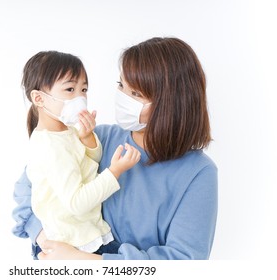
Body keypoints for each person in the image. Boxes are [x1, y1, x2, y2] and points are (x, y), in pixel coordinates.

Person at [12, 37, 218, 260]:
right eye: (121, 85)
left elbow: (185, 261)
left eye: (136, 93)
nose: (122, 98)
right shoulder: (98, 139)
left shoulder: (198, 172)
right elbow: (28, 190)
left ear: (170, 102)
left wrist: (85, 261)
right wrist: (46, 239)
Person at [19, 51, 141, 256]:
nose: (80, 98)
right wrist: (115, 172)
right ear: (39, 98)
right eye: (70, 89)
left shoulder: (67, 132)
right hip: (72, 244)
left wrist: (86, 138)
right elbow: (77, 202)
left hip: (84, 235)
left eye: (83, 89)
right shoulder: (51, 146)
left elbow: (88, 164)